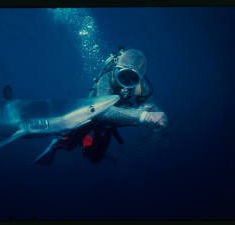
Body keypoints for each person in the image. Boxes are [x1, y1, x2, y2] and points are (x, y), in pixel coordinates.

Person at [36, 47, 168, 164]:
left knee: (95, 157)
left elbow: (150, 106)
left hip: (110, 124)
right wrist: (144, 116)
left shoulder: (142, 86)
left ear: (139, 78)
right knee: (68, 144)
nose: (127, 83)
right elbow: (105, 112)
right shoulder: (106, 78)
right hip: (91, 116)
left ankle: (85, 142)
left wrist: (158, 117)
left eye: (133, 78)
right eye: (124, 76)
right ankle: (56, 144)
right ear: (116, 71)